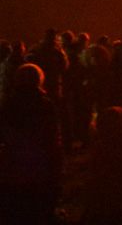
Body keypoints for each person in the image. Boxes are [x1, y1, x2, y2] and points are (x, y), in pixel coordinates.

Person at [0, 62, 62, 225]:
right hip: (40, 164)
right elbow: (52, 136)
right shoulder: (45, 105)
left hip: (14, 165)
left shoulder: (9, 104)